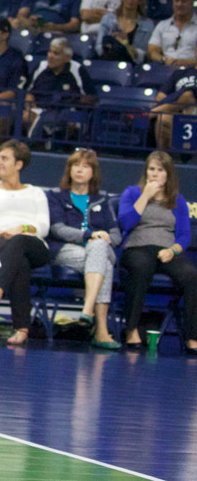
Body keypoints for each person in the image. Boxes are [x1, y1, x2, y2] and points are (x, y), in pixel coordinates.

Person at [117, 151, 197, 353]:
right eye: (151, 169)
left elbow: (185, 235)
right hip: (137, 248)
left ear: (167, 175)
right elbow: (125, 222)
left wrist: (173, 250)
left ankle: (192, 337)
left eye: (159, 170)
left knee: (192, 276)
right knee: (141, 268)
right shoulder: (133, 193)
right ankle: (131, 330)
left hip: (167, 251)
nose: (154, 174)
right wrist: (146, 195)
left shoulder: (177, 200)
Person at [46, 149, 122, 350]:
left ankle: (87, 310)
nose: (79, 170)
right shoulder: (56, 196)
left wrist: (102, 237)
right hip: (65, 250)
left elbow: (116, 236)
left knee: (99, 248)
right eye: (76, 165)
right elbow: (58, 229)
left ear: (93, 173)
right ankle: (101, 331)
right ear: (69, 169)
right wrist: (90, 235)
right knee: (103, 263)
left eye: (85, 166)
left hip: (98, 249)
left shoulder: (102, 200)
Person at [0, 140, 50, 347]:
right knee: (20, 262)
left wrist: (22, 229)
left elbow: (43, 227)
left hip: (33, 245)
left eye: (4, 158)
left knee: (18, 243)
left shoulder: (35, 193)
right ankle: (21, 328)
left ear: (19, 164)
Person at [95, 0, 154, 65]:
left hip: (132, 63)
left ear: (140, 1)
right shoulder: (108, 18)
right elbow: (99, 46)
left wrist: (126, 45)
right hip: (108, 59)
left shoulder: (147, 24)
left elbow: (143, 54)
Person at [147, 0, 197, 67]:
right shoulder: (162, 25)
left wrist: (184, 63)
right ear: (173, 3)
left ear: (191, 3)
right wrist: (163, 60)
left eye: (184, 1)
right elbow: (152, 50)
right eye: (177, 0)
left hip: (192, 70)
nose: (180, 4)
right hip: (166, 68)